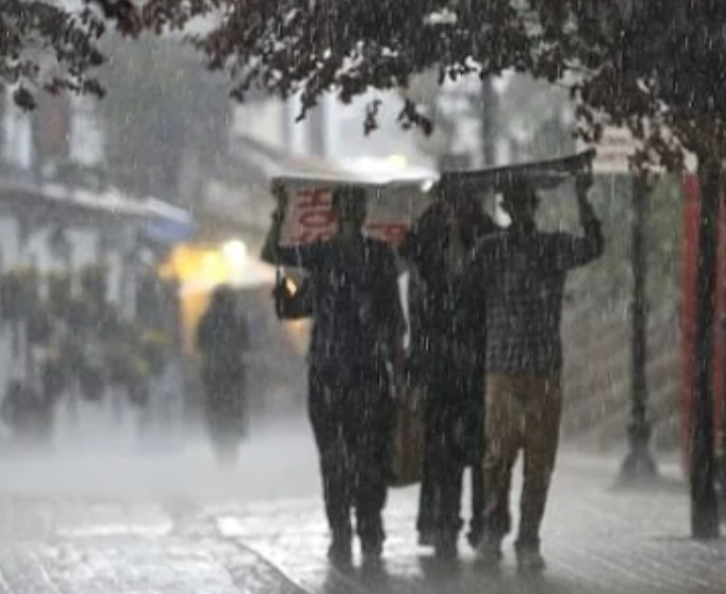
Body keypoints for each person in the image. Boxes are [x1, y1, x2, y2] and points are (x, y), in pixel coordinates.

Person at [262, 185, 405, 570]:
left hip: (370, 371)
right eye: (347, 205)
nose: (353, 211)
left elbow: (393, 317)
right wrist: (280, 213)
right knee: (334, 458)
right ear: (336, 212)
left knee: (370, 456)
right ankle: (341, 530)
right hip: (328, 371)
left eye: (357, 205)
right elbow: (273, 254)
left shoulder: (379, 256)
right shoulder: (321, 254)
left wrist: (399, 365)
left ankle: (369, 527)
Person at [469, 173, 604, 571]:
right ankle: (493, 532)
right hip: (503, 370)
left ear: (533, 205)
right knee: (497, 458)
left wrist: (583, 199)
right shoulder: (489, 250)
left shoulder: (552, 247)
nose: (522, 208)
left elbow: (594, 246)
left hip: (543, 369)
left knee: (538, 463)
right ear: (507, 207)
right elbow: (462, 286)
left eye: (527, 201)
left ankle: (529, 538)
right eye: (514, 201)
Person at [401, 184, 498, 560]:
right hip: (441, 362)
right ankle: (444, 523)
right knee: (442, 449)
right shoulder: (428, 233)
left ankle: (479, 522)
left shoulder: (484, 232)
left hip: (474, 360)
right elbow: (414, 279)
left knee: (477, 448)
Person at [195, 286, 250, 466]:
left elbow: (199, 344)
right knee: (233, 411)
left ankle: (220, 449)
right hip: (234, 372)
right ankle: (232, 448)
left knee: (216, 412)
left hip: (213, 373)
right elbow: (246, 343)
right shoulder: (238, 318)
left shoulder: (205, 319)